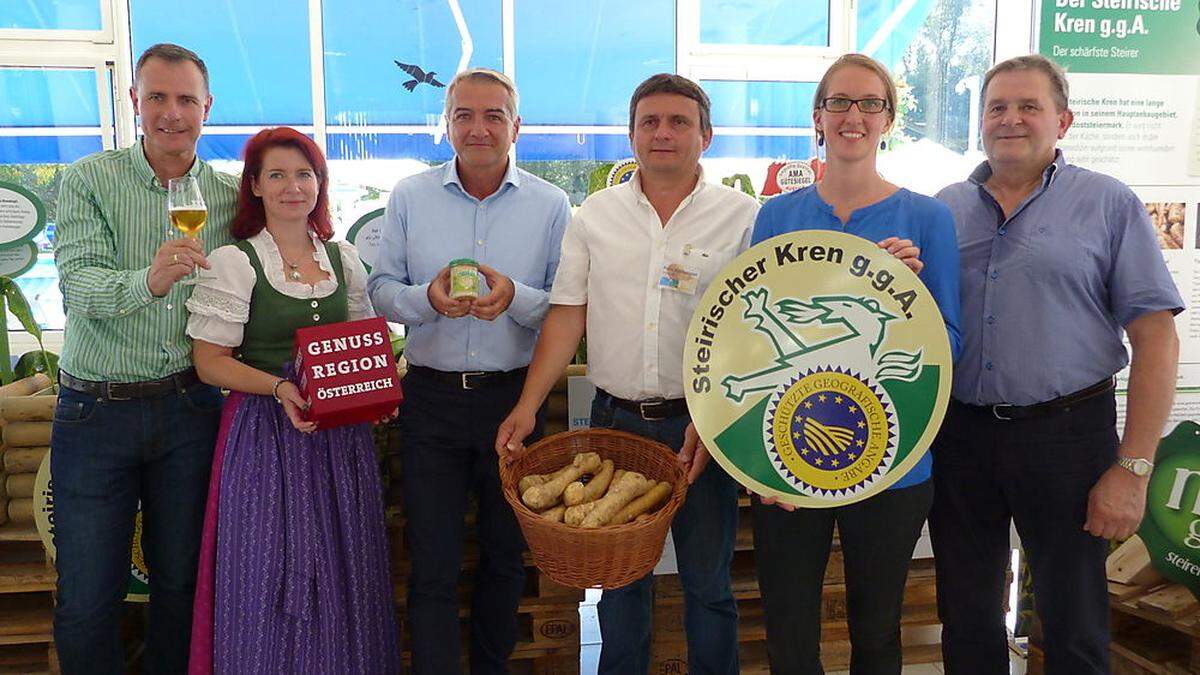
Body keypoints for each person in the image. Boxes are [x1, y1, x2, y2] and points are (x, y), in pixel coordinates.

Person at [496, 73, 759, 675]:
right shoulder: (596, 214)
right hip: (616, 427)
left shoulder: (743, 218)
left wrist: (719, 418)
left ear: (707, 136)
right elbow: (567, 315)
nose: (663, 133)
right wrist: (529, 405)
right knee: (619, 586)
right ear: (632, 134)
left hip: (704, 428)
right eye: (650, 122)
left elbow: (755, 328)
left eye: (679, 122)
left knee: (708, 584)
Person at [933, 54, 1182, 674]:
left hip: (1067, 436)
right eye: (997, 107)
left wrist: (1133, 467)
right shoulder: (944, 209)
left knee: (1073, 622)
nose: (1010, 119)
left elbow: (1156, 341)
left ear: (1062, 121)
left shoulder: (1107, 203)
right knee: (966, 615)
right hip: (959, 434)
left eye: (1028, 106)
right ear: (981, 123)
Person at [747, 53, 962, 675]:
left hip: (894, 459)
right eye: (839, 102)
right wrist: (758, 460)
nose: (854, 116)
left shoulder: (929, 218)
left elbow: (952, 344)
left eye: (870, 103)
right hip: (788, 448)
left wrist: (905, 301)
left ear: (888, 119)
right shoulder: (777, 218)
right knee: (788, 630)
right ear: (817, 117)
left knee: (876, 630)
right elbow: (753, 339)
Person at [367, 68, 570, 674]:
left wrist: (519, 299)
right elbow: (379, 289)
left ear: (516, 125)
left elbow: (565, 305)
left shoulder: (551, 203)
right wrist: (423, 300)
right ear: (446, 123)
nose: (477, 128)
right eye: (464, 115)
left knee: (506, 556)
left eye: (492, 115)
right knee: (432, 562)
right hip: (429, 402)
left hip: (514, 401)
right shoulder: (410, 195)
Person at [50, 43, 236, 675]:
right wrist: (148, 282)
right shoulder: (86, 180)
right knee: (87, 594)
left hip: (191, 405)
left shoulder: (231, 197)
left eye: (186, 99)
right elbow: (78, 288)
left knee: (183, 584)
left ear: (207, 108)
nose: (172, 113)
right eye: (156, 97)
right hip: (94, 411)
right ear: (134, 102)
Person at [185, 127, 399, 674]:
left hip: (337, 437)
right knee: (269, 564)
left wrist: (377, 389)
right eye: (276, 175)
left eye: (304, 174)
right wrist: (281, 387)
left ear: (319, 184)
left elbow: (361, 338)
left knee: (343, 559)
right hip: (264, 434)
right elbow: (209, 362)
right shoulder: (234, 261)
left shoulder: (342, 258)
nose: (292, 186)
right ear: (254, 186)